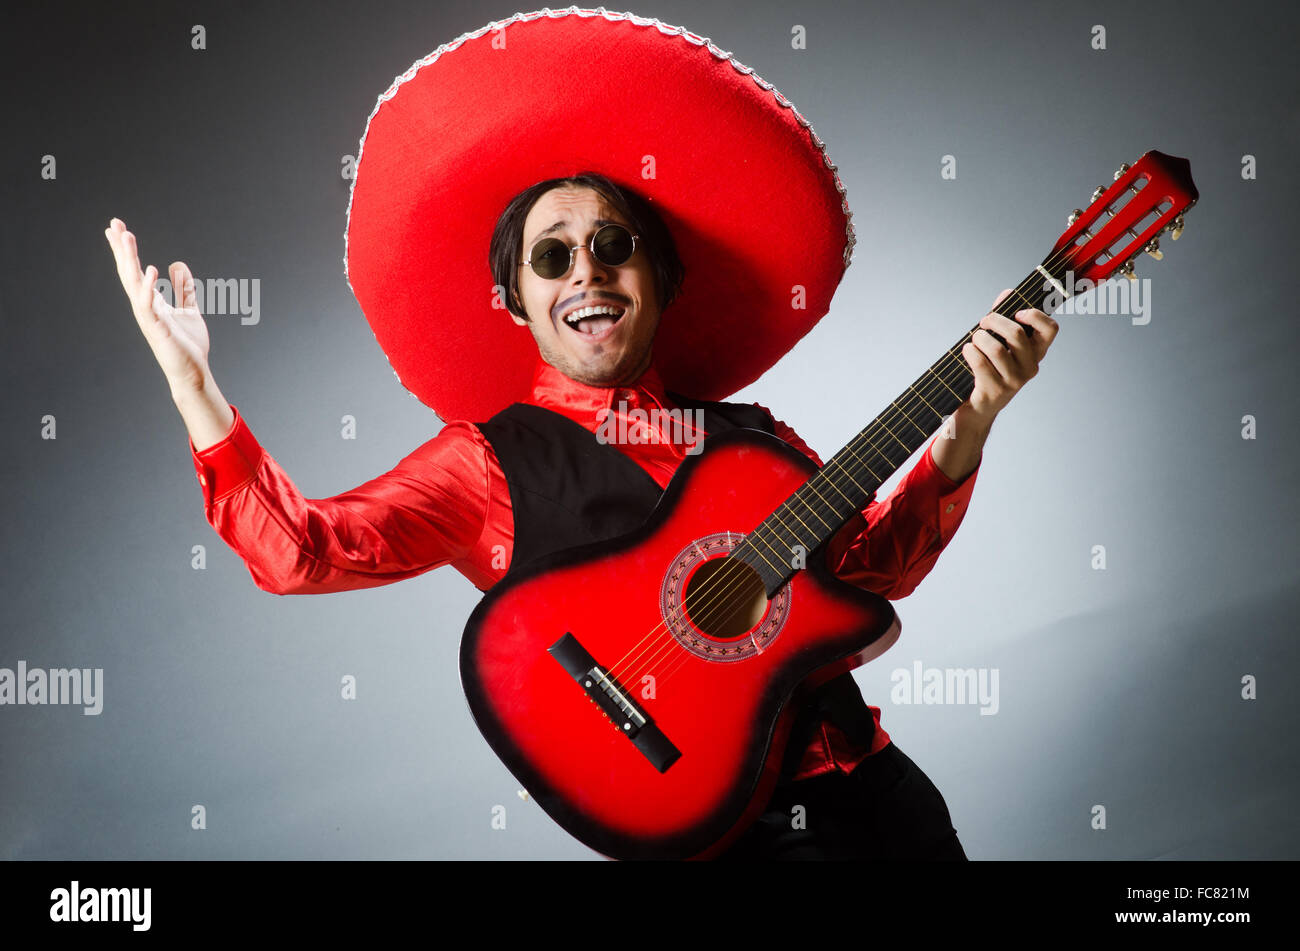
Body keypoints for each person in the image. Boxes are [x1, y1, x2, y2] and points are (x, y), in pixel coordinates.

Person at [103, 11, 1057, 860]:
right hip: (715, 835)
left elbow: (859, 578)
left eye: (614, 245)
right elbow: (303, 551)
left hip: (886, 801)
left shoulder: (755, 441)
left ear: (661, 279)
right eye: (550, 257)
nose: (586, 275)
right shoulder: (483, 465)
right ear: (514, 300)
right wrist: (195, 385)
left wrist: (967, 427)